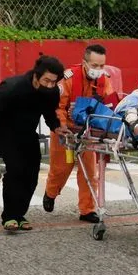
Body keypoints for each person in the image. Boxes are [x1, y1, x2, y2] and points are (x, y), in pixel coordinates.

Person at [0, 55, 69, 231]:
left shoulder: (51, 91)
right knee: (16, 170)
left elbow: (49, 112)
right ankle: (9, 216)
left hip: (27, 132)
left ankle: (20, 214)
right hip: (4, 132)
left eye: (54, 82)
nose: (50, 85)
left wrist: (57, 127)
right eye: (47, 80)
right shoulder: (12, 87)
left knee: (32, 173)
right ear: (36, 76)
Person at [43, 44, 116, 223]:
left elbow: (109, 105)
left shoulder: (104, 80)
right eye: (94, 65)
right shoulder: (69, 78)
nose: (98, 70)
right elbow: (58, 106)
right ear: (84, 63)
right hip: (65, 130)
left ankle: (87, 209)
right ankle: (51, 193)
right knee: (61, 168)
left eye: (101, 66)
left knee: (90, 172)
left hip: (88, 132)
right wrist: (61, 126)